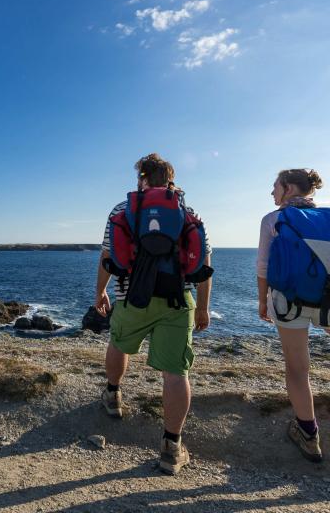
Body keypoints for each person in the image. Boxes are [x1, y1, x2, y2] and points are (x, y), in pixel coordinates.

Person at [95, 153, 212, 475]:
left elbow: (108, 253)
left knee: (118, 344)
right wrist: (202, 307)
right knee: (176, 373)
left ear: (142, 179)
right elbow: (203, 264)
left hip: (132, 297)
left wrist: (100, 291)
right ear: (170, 179)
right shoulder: (188, 212)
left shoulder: (122, 210)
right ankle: (171, 447)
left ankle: (114, 396)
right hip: (177, 300)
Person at [257, 168, 328, 463]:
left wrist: (263, 302)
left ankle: (308, 435)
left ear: (288, 188)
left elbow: (263, 267)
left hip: (288, 302)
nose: (272, 192)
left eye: (275, 186)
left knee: (298, 369)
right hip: (329, 299)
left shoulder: (273, 220)